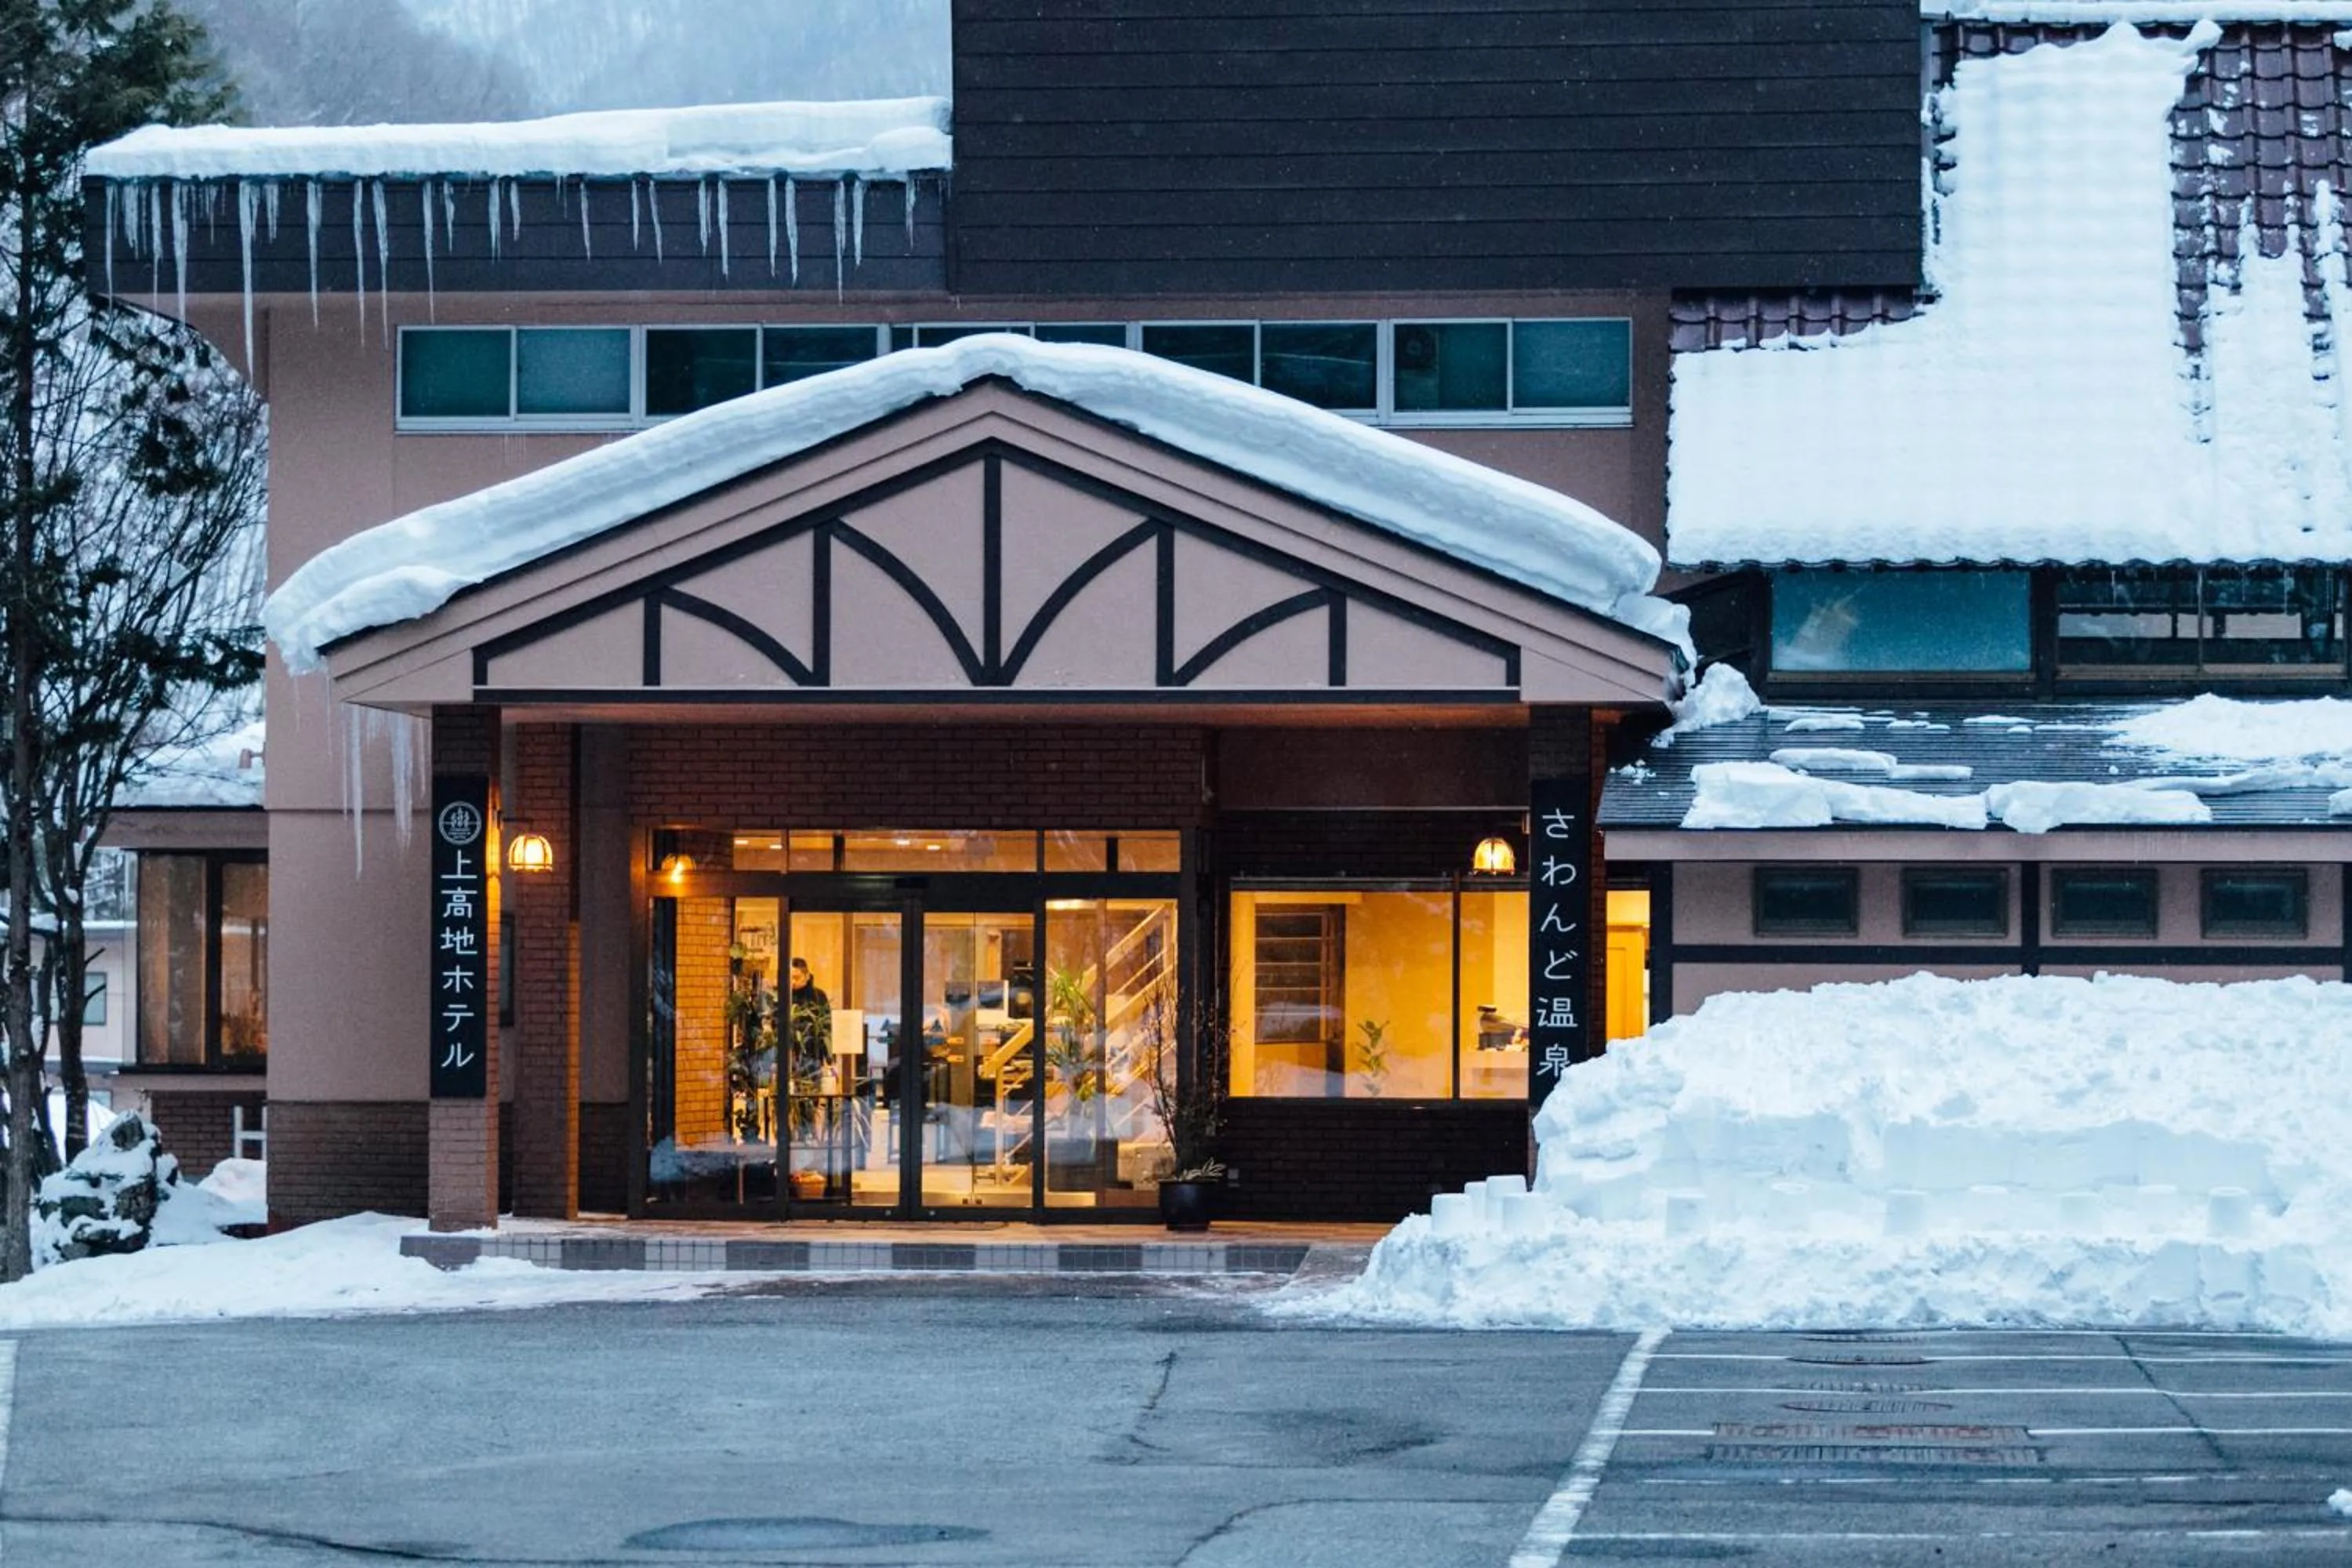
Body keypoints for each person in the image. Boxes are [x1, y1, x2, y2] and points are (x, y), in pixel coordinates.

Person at [787, 957, 832, 1080]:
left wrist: (829, 1057)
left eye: (796, 977)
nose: (792, 982)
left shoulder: (818, 996)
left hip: (813, 1054)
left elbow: (827, 1027)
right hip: (790, 1054)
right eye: (790, 978)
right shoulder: (785, 996)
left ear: (807, 976)